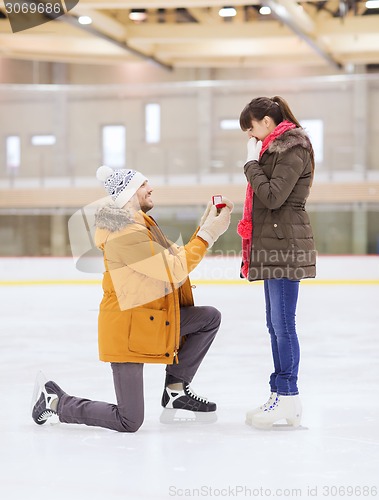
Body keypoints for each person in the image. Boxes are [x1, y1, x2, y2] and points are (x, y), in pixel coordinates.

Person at [32, 166, 233, 432]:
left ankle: (175, 391)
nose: (151, 188)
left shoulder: (142, 224)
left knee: (208, 318)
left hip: (148, 320)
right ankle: (56, 401)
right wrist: (209, 236)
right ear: (127, 195)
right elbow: (173, 269)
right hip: (127, 329)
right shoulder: (124, 234)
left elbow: (176, 256)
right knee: (129, 420)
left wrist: (204, 228)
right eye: (143, 185)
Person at [237, 96, 316, 429]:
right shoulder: (275, 151)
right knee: (275, 325)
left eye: (252, 130)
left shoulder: (292, 150)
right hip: (274, 244)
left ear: (266, 122)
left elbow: (272, 196)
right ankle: (281, 394)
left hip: (286, 245)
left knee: (284, 324)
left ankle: (288, 395)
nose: (251, 138)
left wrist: (251, 166)